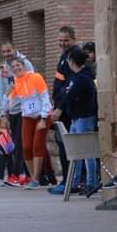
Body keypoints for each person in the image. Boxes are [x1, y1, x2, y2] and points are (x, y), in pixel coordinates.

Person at [2, 58, 53, 190]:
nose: (16, 68)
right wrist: (7, 95)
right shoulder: (15, 83)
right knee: (26, 148)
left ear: (24, 66)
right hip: (27, 117)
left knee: (37, 146)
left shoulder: (36, 77)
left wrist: (43, 118)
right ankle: (32, 177)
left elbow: (45, 98)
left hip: (41, 116)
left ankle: (36, 178)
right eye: (13, 67)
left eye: (18, 65)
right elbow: (8, 106)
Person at [57, 48, 98, 196]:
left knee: (87, 152)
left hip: (84, 118)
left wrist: (66, 92)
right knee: (76, 153)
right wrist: (66, 91)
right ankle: (74, 182)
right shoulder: (77, 77)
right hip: (76, 117)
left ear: (72, 61)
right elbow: (64, 91)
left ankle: (91, 182)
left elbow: (68, 94)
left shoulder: (82, 78)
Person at [0, 43, 33, 185]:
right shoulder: (4, 67)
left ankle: (17, 175)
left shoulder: (26, 63)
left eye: (9, 51)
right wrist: (3, 112)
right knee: (11, 144)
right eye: (4, 51)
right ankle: (25, 175)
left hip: (23, 110)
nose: (6, 54)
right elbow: (3, 90)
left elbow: (31, 85)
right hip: (10, 110)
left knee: (19, 143)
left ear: (14, 49)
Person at [51, 26, 82, 184]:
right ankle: (66, 180)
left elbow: (69, 86)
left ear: (73, 40)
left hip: (66, 110)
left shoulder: (73, 57)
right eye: (60, 40)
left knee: (67, 147)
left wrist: (60, 107)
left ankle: (69, 181)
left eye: (66, 40)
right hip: (59, 106)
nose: (62, 43)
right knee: (62, 146)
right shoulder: (64, 56)